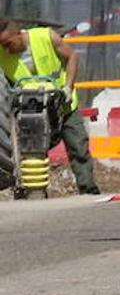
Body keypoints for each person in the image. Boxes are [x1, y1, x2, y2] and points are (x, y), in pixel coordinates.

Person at [0, 17, 99, 195]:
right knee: (33, 156)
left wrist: (68, 87)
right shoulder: (2, 54)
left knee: (79, 148)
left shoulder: (45, 37)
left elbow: (72, 57)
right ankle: (35, 192)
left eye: (8, 43)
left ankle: (88, 191)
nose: (7, 49)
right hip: (31, 112)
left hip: (63, 106)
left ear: (18, 33)